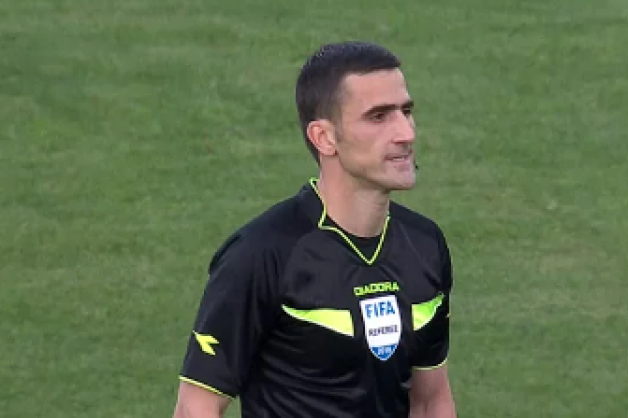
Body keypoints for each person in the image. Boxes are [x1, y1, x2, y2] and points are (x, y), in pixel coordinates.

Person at [172, 41, 457, 418]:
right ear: (324, 137)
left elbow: (430, 401)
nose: (405, 133)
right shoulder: (262, 254)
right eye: (378, 116)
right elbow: (196, 406)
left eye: (406, 111)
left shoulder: (424, 244)